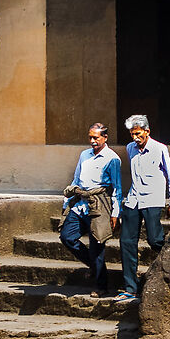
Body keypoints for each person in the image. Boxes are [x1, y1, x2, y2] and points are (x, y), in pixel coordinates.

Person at [119, 113, 170, 301]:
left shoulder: (159, 149)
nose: (135, 138)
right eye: (132, 134)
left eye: (138, 134)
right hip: (133, 200)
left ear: (147, 131)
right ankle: (130, 287)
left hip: (153, 199)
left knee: (155, 240)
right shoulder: (130, 148)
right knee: (127, 242)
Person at [59, 122, 122, 292]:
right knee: (67, 237)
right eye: (90, 137)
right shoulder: (84, 155)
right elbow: (76, 179)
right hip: (80, 204)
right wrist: (68, 200)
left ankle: (101, 286)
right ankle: (93, 266)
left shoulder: (112, 159)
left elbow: (117, 188)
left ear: (105, 137)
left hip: (99, 204)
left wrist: (115, 213)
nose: (93, 141)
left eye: (96, 137)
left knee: (97, 246)